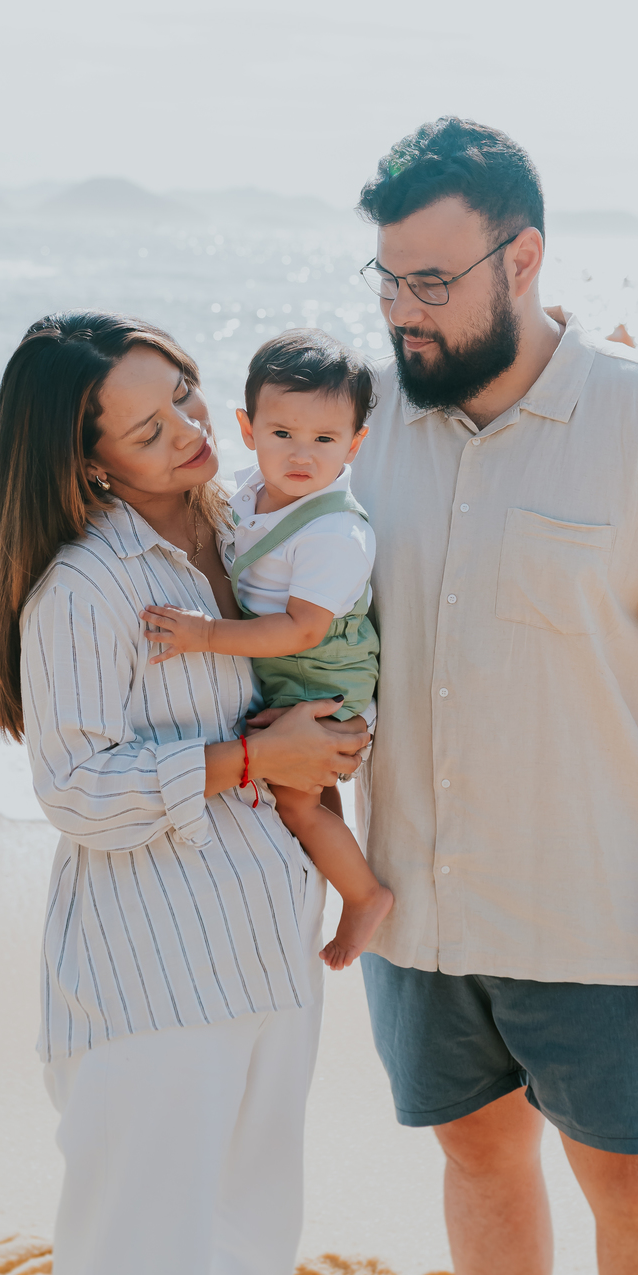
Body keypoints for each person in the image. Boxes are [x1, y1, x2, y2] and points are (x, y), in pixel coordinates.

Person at [349, 118, 638, 1275]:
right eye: (387, 282)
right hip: (418, 903)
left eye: (432, 282)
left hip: (606, 909)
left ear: (522, 257)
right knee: (477, 1156)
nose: (404, 313)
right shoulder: (367, 431)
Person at [0, 312, 368, 1275]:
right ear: (91, 461)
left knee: (247, 1243)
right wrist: (255, 755)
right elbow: (77, 791)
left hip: (266, 944)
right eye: (152, 431)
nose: (193, 434)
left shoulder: (251, 524)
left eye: (189, 398)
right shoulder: (87, 588)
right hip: (151, 975)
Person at [142, 329, 394, 970]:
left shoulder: (335, 531)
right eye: (283, 434)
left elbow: (302, 630)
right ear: (248, 429)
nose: (301, 455)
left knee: (295, 798)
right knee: (305, 792)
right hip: (285, 660)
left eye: (325, 440)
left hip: (319, 672)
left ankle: (364, 895)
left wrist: (204, 636)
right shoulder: (251, 490)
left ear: (355, 446)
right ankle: (328, 871)